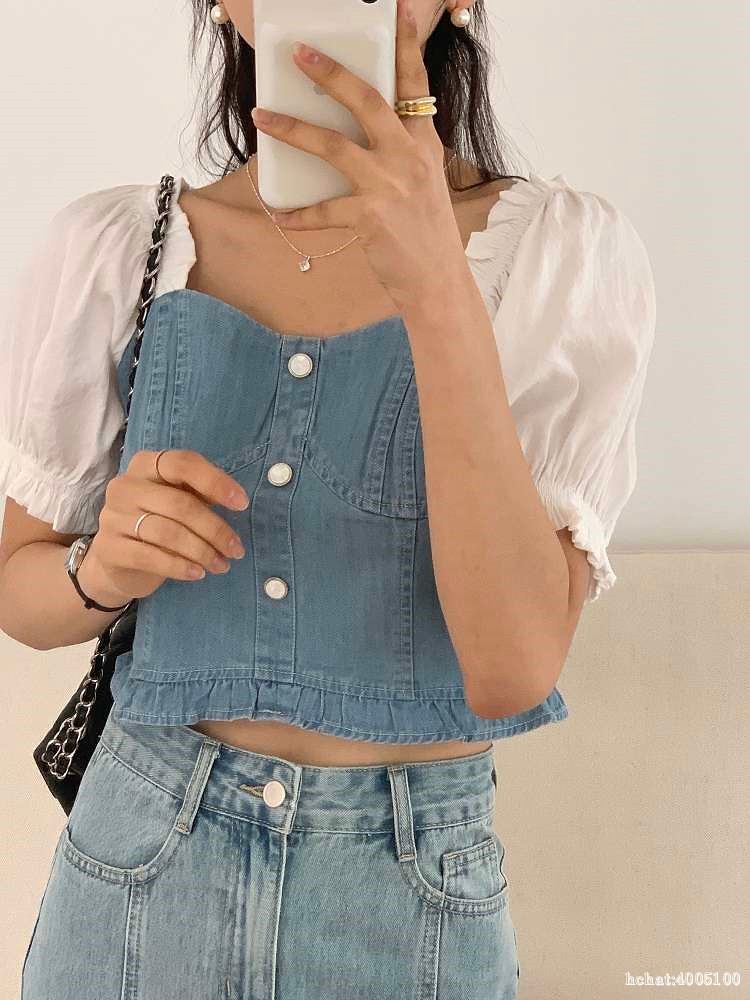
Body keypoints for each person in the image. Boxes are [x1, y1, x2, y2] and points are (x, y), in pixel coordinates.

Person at [0, 1, 656, 997]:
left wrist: (436, 279)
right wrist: (103, 566)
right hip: (137, 864)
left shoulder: (560, 255)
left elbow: (512, 669)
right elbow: (20, 590)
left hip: (407, 891)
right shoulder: (119, 245)